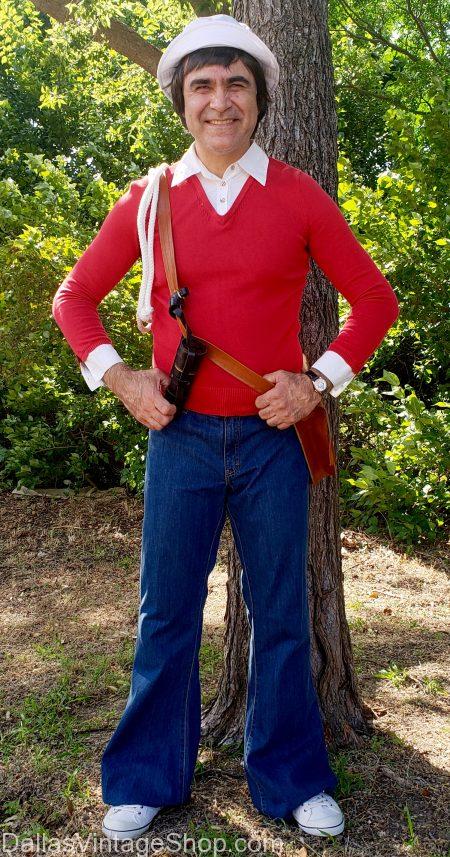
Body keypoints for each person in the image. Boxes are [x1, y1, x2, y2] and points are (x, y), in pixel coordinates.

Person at [52, 14, 399, 843]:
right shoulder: (149, 200)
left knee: (280, 613)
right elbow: (75, 299)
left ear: (260, 100)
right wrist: (122, 378)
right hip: (180, 439)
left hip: (274, 443)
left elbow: (374, 301)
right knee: (166, 614)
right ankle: (145, 776)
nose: (219, 101)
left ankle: (291, 777)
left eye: (236, 84)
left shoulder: (297, 194)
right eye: (202, 86)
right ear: (182, 101)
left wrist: (317, 382)